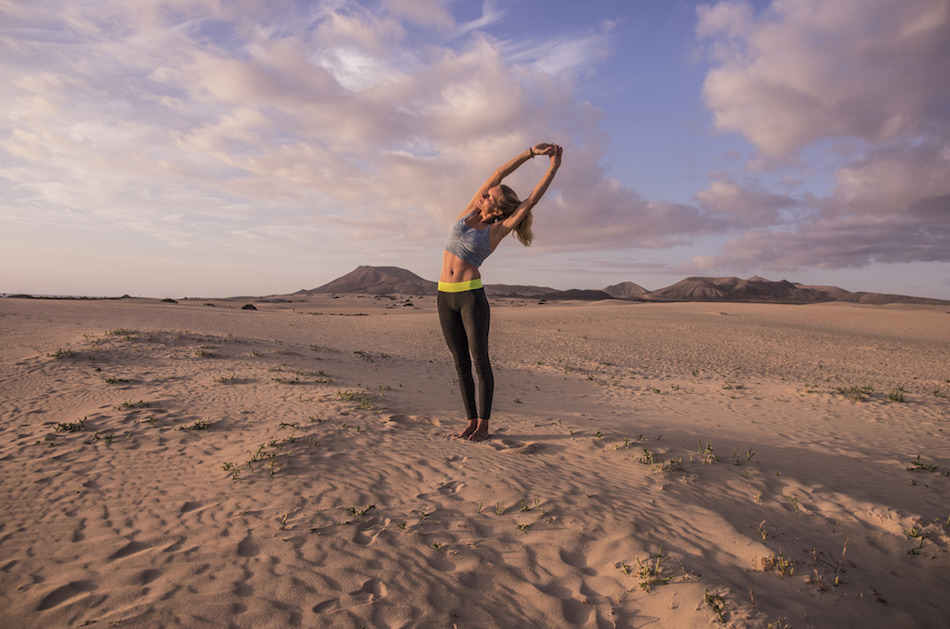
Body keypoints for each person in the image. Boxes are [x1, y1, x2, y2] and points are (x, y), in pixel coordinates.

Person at [438, 142, 563, 441]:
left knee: (480, 361)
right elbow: (498, 172)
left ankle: (484, 425)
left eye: (490, 196)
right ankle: (470, 420)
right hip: (444, 296)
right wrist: (530, 153)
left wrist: (553, 167)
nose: (485, 194)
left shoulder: (497, 229)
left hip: (470, 297)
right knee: (460, 362)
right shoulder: (469, 211)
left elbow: (530, 201)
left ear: (498, 209)